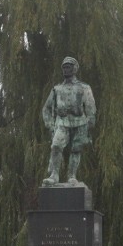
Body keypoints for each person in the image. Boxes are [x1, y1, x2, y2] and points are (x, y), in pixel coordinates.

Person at [42, 56, 97, 185]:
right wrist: (50, 125)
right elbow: (46, 109)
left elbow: (90, 108)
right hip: (61, 122)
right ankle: (54, 175)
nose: (66, 69)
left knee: (76, 149)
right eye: (64, 67)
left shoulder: (84, 87)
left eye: (69, 67)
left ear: (75, 69)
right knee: (56, 146)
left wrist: (89, 125)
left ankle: (72, 175)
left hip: (80, 123)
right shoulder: (57, 89)